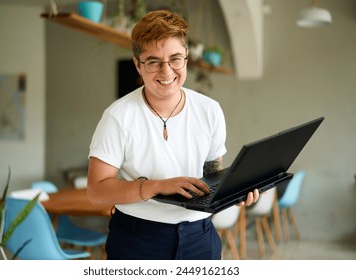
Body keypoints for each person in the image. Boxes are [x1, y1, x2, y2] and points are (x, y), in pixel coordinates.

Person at [87, 10, 259, 260]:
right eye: (153, 61)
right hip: (138, 239)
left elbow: (211, 175)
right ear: (137, 64)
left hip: (200, 236)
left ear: (187, 58)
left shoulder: (210, 110)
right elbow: (96, 192)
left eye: (175, 59)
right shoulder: (118, 117)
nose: (166, 72)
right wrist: (157, 186)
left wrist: (237, 190)